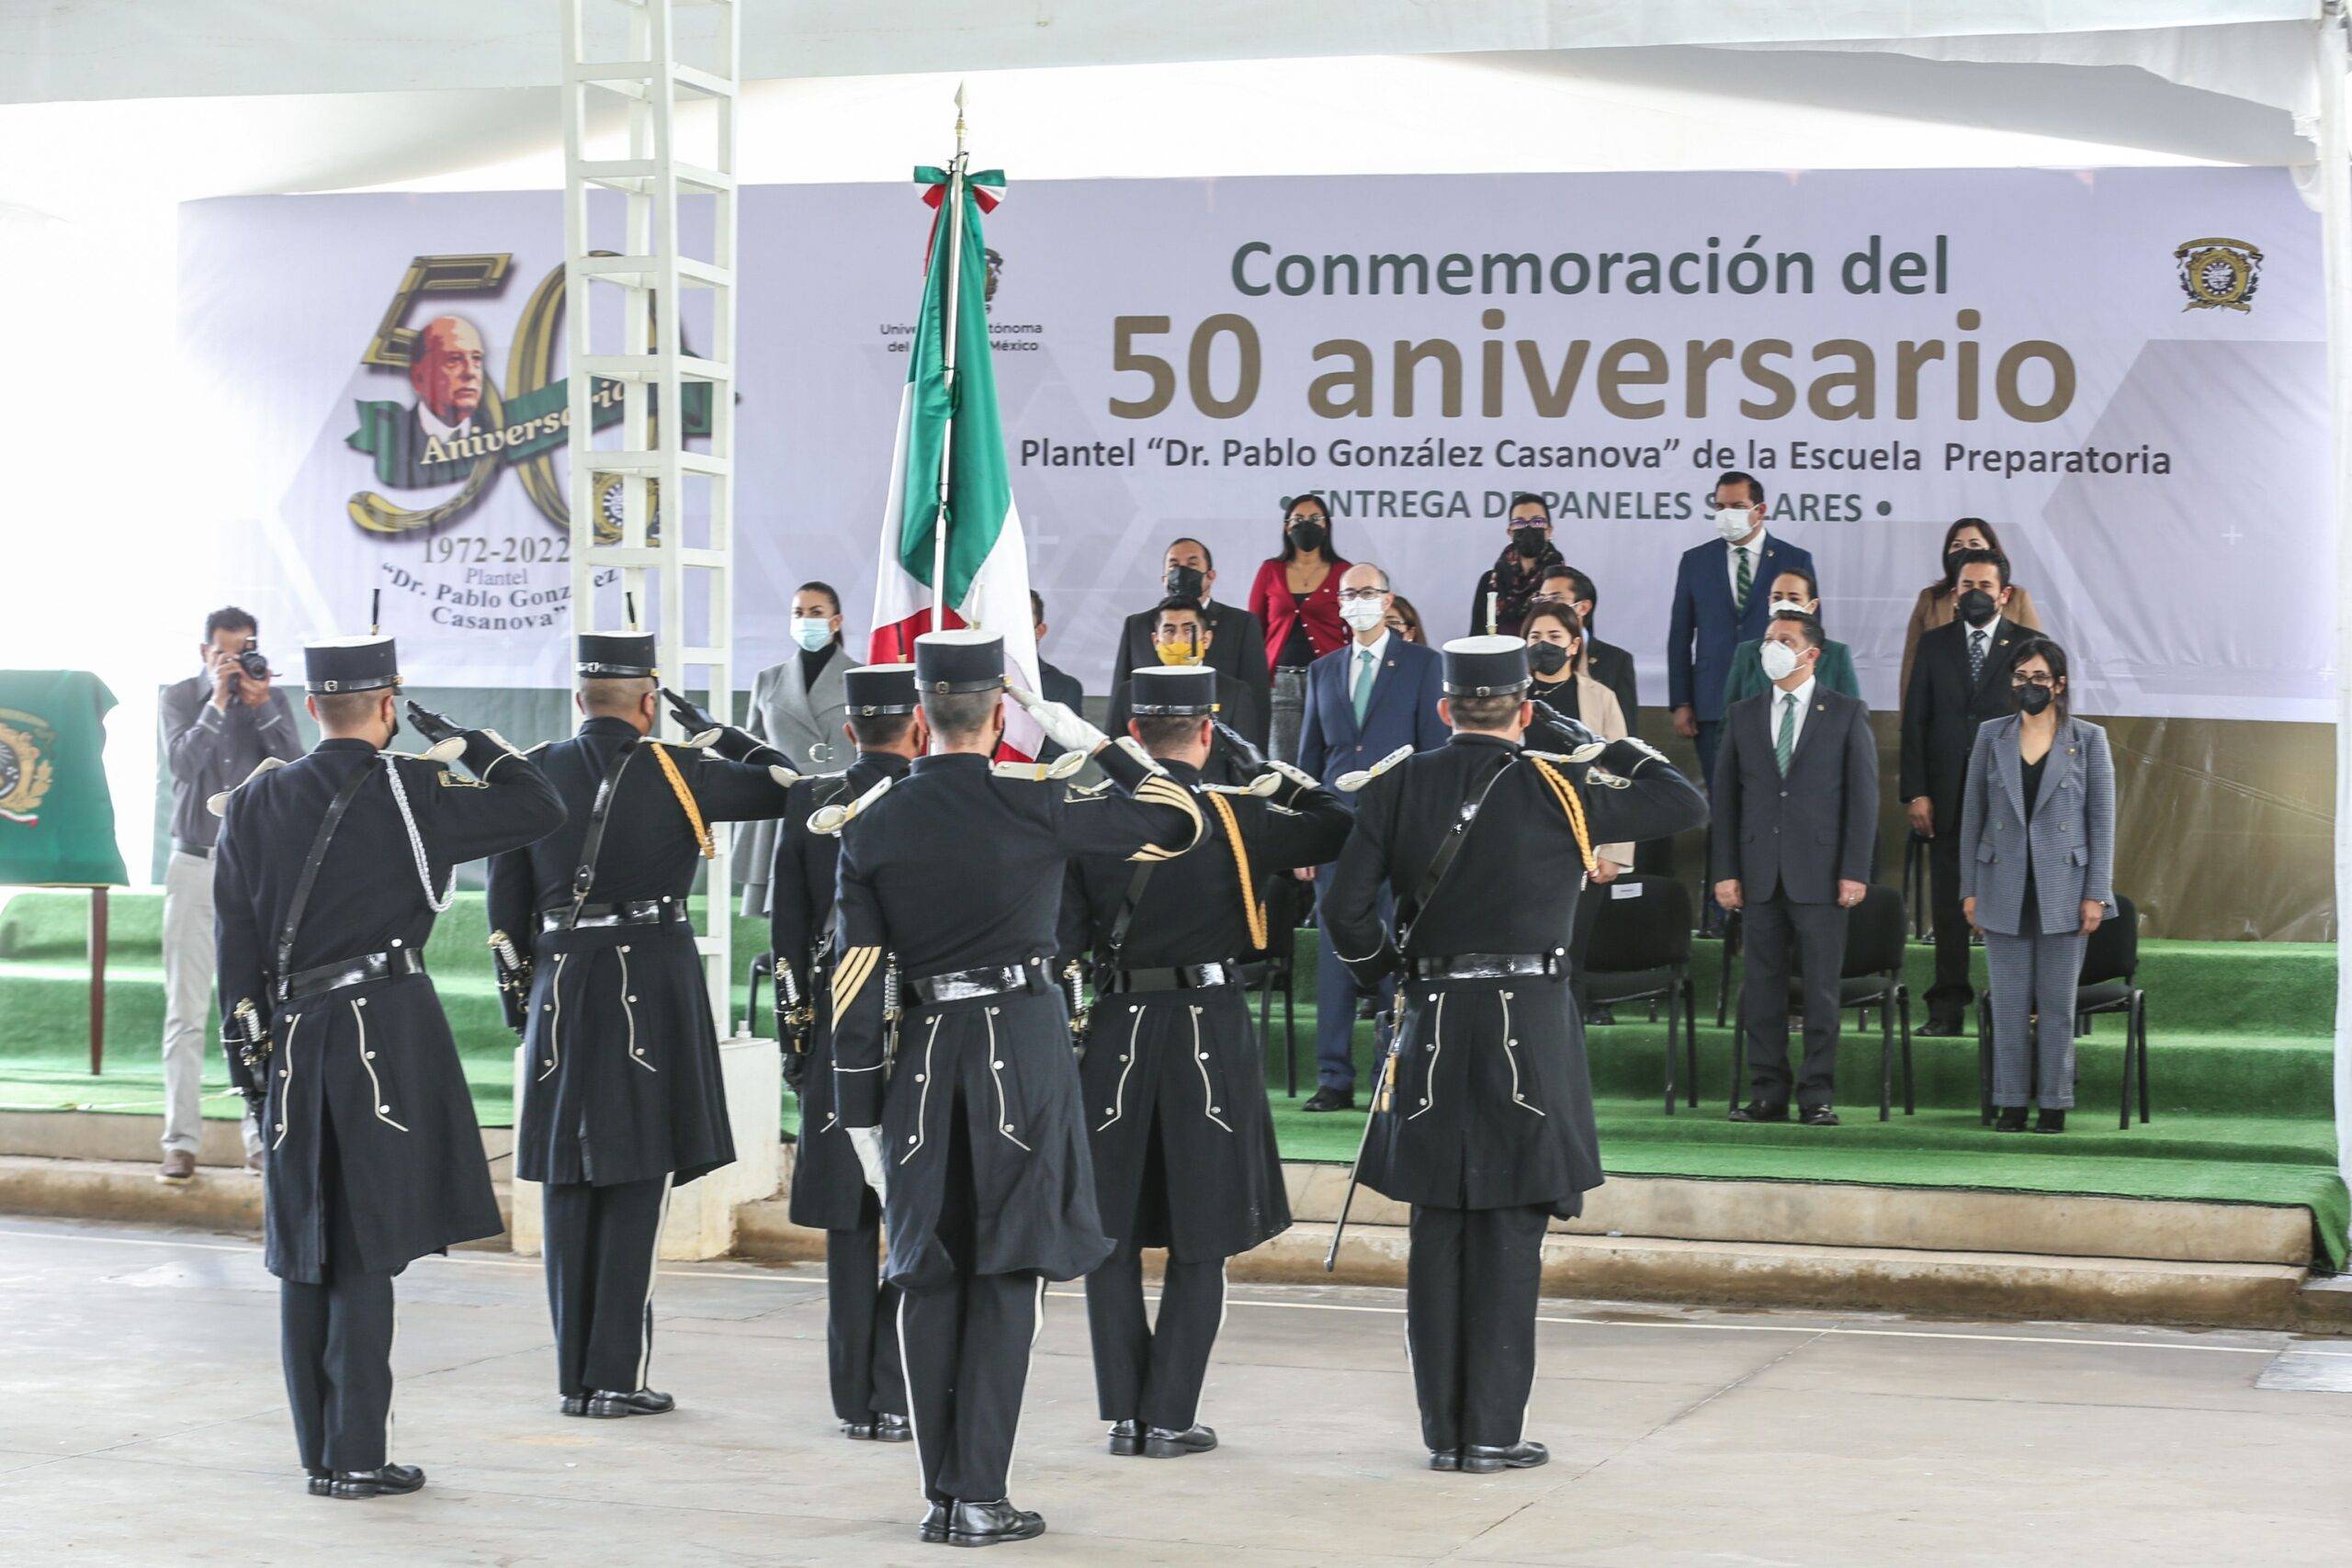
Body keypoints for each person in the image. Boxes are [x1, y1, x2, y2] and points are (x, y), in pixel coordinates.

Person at [827, 629, 1203, 1548]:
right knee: (1008, 1269)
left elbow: (856, 983)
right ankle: (981, 1492)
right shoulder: (1036, 802)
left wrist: (859, 1115)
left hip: (921, 1056)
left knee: (927, 1271)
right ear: (998, 714)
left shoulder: (870, 822)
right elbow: (1175, 819)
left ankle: (941, 1495)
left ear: (918, 720)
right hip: (1021, 1053)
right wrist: (1089, 736)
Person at [1322, 637, 1705, 1474]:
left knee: (1437, 1224)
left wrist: (1391, 976)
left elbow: (1343, 907)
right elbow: (1680, 800)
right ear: (1524, 710)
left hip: (1429, 1014)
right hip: (1527, 1019)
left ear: (1442, 706)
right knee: (1508, 1228)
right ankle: (1492, 1432)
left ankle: (1443, 1431)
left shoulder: (1400, 785)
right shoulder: (1558, 783)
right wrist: (1580, 735)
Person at [212, 634, 563, 1499]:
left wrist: (251, 1067)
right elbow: (540, 804)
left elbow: (234, 949)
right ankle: (360, 1453)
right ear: (388, 704)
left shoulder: (256, 804)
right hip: (380, 1032)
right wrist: (468, 741)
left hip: (290, 1037)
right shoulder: (417, 791)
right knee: (364, 1246)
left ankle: (321, 1455)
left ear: (308, 705)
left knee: (306, 1247)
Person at [486, 633, 801, 1422]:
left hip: (560, 979)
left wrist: (525, 1004)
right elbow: (787, 786)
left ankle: (574, 1376)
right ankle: (614, 1374)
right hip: (645, 981)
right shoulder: (678, 767)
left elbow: (504, 901)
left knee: (567, 1177)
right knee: (633, 1172)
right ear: (650, 700)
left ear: (580, 698)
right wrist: (721, 735)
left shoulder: (534, 771)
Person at [1060, 665, 1350, 1461]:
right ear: (1208, 731)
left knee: (1112, 1227)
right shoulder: (1238, 812)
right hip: (1205, 1026)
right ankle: (1169, 1414)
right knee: (1203, 1223)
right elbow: (1337, 819)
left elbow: (1061, 936)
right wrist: (1266, 770)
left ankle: (1124, 1410)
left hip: (1114, 1023)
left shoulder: (1090, 817)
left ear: (1131, 731)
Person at [768, 663, 926, 1441]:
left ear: (848, 730)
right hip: (922, 1023)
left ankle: (852, 1396)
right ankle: (896, 1387)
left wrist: (798, 1040)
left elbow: (787, 939)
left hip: (837, 1023)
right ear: (918, 726)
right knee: (913, 1208)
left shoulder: (809, 799)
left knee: (849, 1224)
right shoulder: (935, 800)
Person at [1709, 613, 1878, 1126]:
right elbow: (1726, 800)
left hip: (1823, 875)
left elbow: (1863, 798)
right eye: (1768, 640)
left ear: (1812, 654)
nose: (1773, 649)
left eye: (1785, 641)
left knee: (1822, 989)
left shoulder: (1846, 713)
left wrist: (1855, 870)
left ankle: (1817, 1095)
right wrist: (1725, 871)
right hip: (1758, 873)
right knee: (1761, 987)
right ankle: (1766, 1093)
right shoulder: (1743, 714)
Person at [156, 605, 301, 1182]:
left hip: (254, 870)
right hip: (193, 862)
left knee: (254, 1006)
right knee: (185, 1010)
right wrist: (217, 702)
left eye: (245, 650)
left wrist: (262, 704)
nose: (237, 662)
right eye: (226, 653)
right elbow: (183, 763)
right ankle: (180, 1142)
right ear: (204, 653)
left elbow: (294, 768)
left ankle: (260, 1135)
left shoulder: (270, 699)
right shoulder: (178, 698)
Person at [1295, 563, 1448, 1111]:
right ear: (1338, 604)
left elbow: (1434, 753)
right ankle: (1334, 1078)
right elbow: (1309, 758)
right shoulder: (1322, 671)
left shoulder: (1424, 664)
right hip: (1336, 830)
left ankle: (1398, 1067)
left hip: (1400, 827)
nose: (1359, 601)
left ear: (1388, 602)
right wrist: (1303, 838)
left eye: (1369, 592)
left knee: (1394, 945)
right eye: (1349, 593)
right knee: (1338, 950)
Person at [1960, 638, 2115, 1134]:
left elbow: (2103, 823)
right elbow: (1971, 818)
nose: (2030, 686)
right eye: (2021, 677)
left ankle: (2053, 1102)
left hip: (2064, 889)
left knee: (2056, 1006)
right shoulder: (1991, 736)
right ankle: (2010, 1102)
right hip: (2001, 884)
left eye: (2040, 678)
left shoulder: (2089, 740)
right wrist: (1969, 888)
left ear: (2060, 684)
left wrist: (2097, 892)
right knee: (2007, 1004)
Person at [1902, 547, 2032, 1036]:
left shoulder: (2029, 646)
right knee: (1950, 905)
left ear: (2005, 594)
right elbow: (1915, 720)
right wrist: (1916, 792)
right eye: (1966, 586)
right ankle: (1946, 1008)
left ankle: (2012, 1008)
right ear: (1954, 593)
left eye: (1985, 586)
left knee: (2013, 905)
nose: (1975, 594)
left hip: (2010, 801)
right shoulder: (1935, 645)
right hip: (1945, 797)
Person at [1667, 472, 1815, 791]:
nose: (1726, 514)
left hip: (1774, 696)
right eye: (1720, 506)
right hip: (1711, 703)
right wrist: (1681, 701)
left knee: (1769, 795)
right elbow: (1680, 635)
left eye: (1736, 506)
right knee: (1721, 798)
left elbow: (1811, 634)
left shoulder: (1795, 559)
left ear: (1760, 510)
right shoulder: (1696, 561)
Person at [735, 581, 857, 916]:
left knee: (842, 915)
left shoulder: (860, 678)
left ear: (836, 621)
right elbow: (752, 751)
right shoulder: (768, 680)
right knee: (786, 922)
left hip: (840, 807)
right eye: (798, 613)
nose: (806, 620)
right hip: (782, 807)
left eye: (816, 612)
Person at [1107, 539, 1270, 744]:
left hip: (1218, 751)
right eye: (1174, 565)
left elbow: (1256, 700)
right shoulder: (1138, 624)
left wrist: (1256, 761)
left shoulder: (1241, 623)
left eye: (1192, 565)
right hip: (1148, 748)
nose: (1182, 572)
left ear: (1210, 576)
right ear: (1164, 578)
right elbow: (1121, 696)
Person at [1106, 598, 1264, 778]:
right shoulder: (1129, 693)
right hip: (1144, 799)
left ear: (1206, 639)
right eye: (1169, 630)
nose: (1178, 639)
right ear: (1155, 640)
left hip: (1212, 802)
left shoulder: (1234, 693)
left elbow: (1245, 768)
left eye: (1189, 630)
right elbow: (1114, 762)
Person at [1247, 493, 1350, 763]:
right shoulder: (1271, 570)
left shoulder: (1343, 572)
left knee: (1330, 758)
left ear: (1326, 526)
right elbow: (1254, 627)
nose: (1307, 524)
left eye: (1315, 519)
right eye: (1299, 519)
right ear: (1286, 526)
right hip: (1281, 682)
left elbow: (1354, 627)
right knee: (1283, 764)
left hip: (1331, 679)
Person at [1900, 518, 2044, 698]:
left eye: (1974, 544)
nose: (1964, 550)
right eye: (1957, 545)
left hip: (2003, 708)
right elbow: (1911, 666)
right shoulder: (1930, 598)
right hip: (1945, 707)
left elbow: (2035, 657)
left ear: (1992, 550)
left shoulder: (2017, 597)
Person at [1720, 569, 1861, 706]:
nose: (1784, 605)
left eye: (1794, 599)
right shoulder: (1747, 653)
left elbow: (1850, 714)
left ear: (1812, 606)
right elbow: (1730, 718)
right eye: (1777, 598)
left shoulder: (1836, 654)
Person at [1532, 566, 1638, 744]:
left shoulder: (1615, 661)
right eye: (1542, 599)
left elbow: (1625, 737)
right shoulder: (1527, 656)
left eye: (1556, 598)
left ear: (1583, 607)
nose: (1547, 606)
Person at [1464, 493, 1566, 637]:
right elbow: (1477, 638)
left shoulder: (1565, 582)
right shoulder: (1490, 582)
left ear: (1549, 530)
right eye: (1519, 523)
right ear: (1510, 532)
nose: (1528, 528)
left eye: (1537, 522)